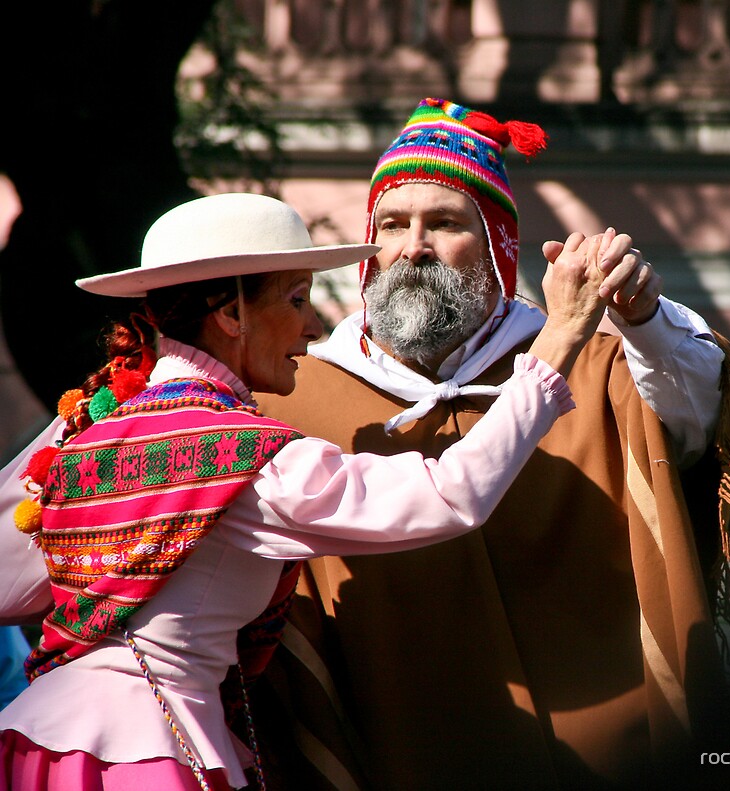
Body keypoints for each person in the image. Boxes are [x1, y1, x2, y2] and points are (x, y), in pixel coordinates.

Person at [0, 190, 627, 791]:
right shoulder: (242, 457)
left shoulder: (95, 426)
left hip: (41, 743)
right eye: (297, 298)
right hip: (144, 753)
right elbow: (448, 494)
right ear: (231, 313)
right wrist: (560, 337)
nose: (313, 324)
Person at [254, 99, 730, 789]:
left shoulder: (594, 364)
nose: (413, 247)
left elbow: (697, 421)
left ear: (498, 244)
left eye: (445, 223)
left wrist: (644, 320)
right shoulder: (297, 397)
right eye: (393, 224)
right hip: (395, 747)